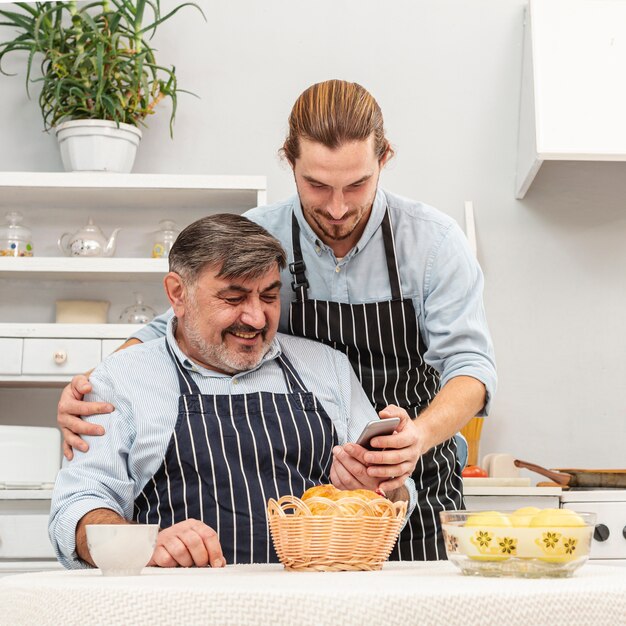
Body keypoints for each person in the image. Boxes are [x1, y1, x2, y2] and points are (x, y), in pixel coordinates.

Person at [57, 79, 496, 561]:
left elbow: (471, 368)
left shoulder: (431, 244)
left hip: (412, 478)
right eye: (317, 185)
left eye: (357, 185)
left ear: (383, 159)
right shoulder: (260, 232)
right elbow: (174, 326)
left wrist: (412, 444)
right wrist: (94, 388)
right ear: (290, 160)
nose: (337, 207)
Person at [49, 214, 419, 569]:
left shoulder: (327, 367)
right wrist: (143, 545)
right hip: (179, 608)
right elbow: (77, 510)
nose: (256, 318)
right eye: (233, 298)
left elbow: (400, 495)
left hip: (314, 603)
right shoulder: (122, 379)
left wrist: (383, 487)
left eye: (270, 296)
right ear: (178, 293)